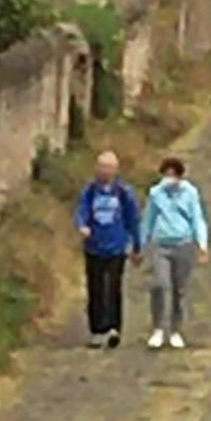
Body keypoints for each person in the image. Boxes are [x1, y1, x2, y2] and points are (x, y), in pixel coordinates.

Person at [74, 149, 142, 349]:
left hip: (116, 247)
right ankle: (97, 330)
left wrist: (137, 246)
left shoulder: (123, 192)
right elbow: (81, 210)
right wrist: (82, 225)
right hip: (94, 247)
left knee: (113, 288)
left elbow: (133, 219)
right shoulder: (89, 191)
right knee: (95, 289)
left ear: (116, 170)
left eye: (109, 168)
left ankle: (113, 328)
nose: (105, 171)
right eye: (102, 167)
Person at [140, 155, 210, 350]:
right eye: (166, 175)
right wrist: (140, 244)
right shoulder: (156, 193)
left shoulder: (190, 193)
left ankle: (176, 330)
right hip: (161, 244)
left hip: (184, 245)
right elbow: (148, 220)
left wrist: (202, 245)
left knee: (180, 289)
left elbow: (197, 219)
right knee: (159, 285)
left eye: (173, 175)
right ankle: (157, 329)